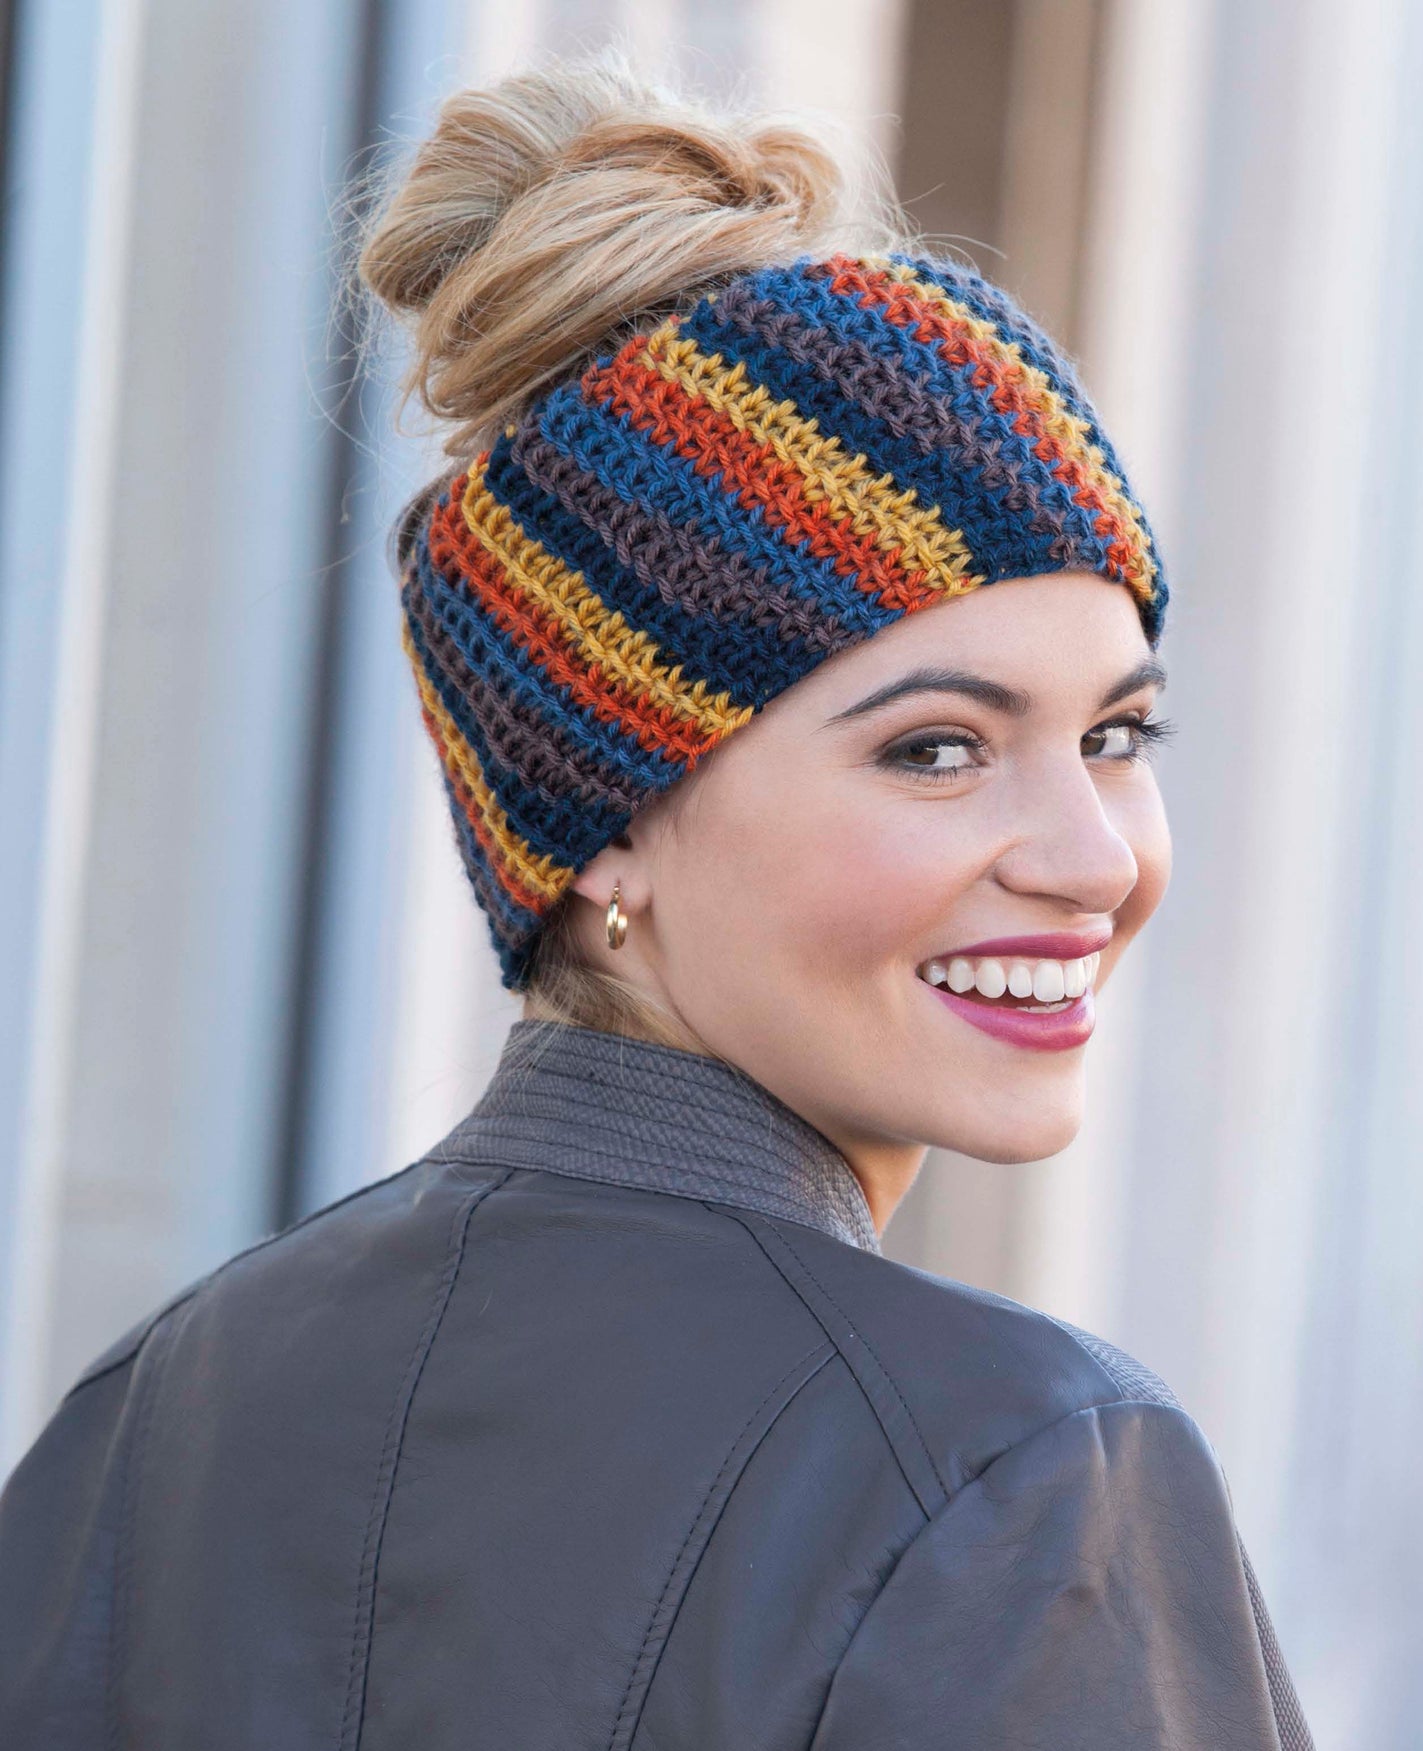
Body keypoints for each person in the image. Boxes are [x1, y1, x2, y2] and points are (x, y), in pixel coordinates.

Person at [0, 50, 1315, 1750]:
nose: (1090, 856)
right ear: (599, 822)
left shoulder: (157, 1415)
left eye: (1117, 733)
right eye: (932, 750)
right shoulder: (1012, 1473)